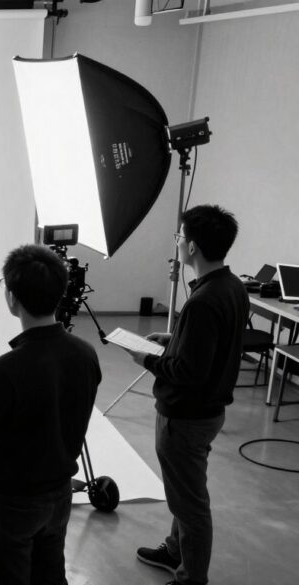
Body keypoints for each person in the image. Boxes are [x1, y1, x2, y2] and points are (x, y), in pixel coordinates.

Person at [120, 205, 247, 585]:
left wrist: (145, 358)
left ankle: (192, 577)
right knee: (185, 488)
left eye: (178, 237)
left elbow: (188, 373)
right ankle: (174, 550)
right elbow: (210, 347)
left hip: (186, 416)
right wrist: (174, 340)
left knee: (189, 504)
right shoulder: (231, 287)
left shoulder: (204, 301)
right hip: (208, 411)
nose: (175, 243)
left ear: (191, 247)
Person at [0, 245, 101, 585]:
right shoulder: (85, 355)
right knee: (51, 577)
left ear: (12, 297)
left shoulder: (5, 370)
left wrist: (1, 428)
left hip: (9, 501)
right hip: (59, 493)